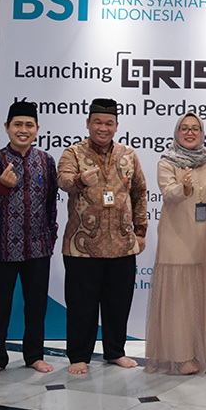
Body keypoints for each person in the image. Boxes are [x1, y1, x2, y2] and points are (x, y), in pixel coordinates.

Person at [57, 98, 148, 374]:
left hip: (122, 245)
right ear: (88, 123)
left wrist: (141, 230)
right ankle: (78, 356)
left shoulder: (128, 155)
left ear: (117, 126)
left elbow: (139, 192)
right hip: (82, 246)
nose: (103, 128)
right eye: (97, 122)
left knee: (118, 304)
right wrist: (80, 180)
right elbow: (62, 181)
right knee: (81, 305)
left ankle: (115, 351)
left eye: (109, 123)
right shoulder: (73, 153)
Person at [0, 100, 58, 377]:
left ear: (37, 129)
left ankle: (34, 355)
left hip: (38, 247)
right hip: (1, 248)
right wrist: (3, 186)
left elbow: (51, 203)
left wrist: (51, 236)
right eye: (17, 125)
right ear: (7, 127)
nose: (23, 130)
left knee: (36, 306)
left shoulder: (46, 161)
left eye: (29, 125)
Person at [145, 113, 206, 375]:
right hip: (176, 240)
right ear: (177, 132)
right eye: (184, 128)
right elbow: (169, 194)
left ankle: (198, 353)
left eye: (195, 128)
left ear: (202, 133)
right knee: (179, 303)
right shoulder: (167, 162)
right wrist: (184, 188)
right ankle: (180, 358)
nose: (190, 132)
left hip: (203, 240)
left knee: (199, 302)